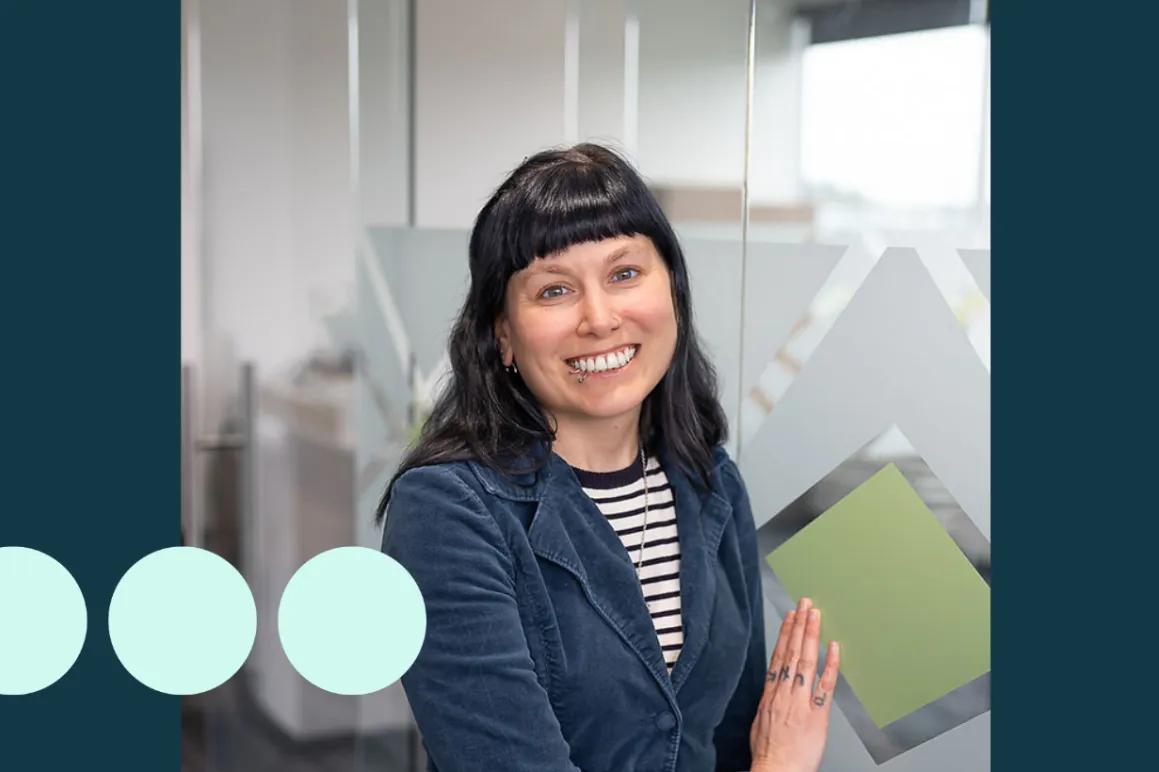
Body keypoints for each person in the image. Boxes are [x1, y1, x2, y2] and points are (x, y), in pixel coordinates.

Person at [376, 143, 840, 772]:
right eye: (554, 290)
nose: (599, 318)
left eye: (625, 275)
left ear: (671, 289)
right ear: (502, 333)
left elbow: (730, 743)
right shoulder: (448, 511)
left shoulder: (709, 482)